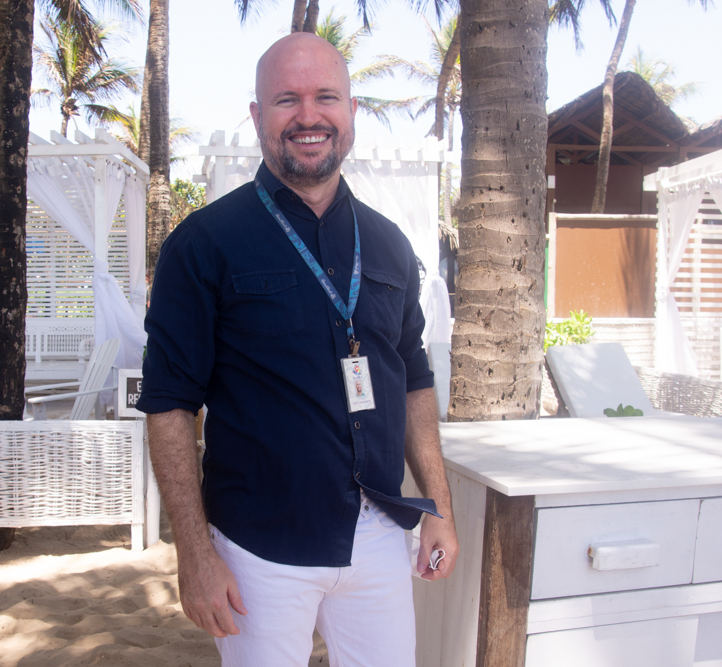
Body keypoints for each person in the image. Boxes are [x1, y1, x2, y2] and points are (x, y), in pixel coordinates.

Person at [136, 32, 458, 667]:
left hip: (378, 534)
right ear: (258, 115)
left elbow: (414, 380)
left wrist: (439, 511)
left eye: (325, 97)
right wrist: (194, 555)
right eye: (287, 100)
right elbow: (169, 404)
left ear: (351, 110)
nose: (309, 116)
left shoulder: (389, 244)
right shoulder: (203, 244)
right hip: (258, 548)